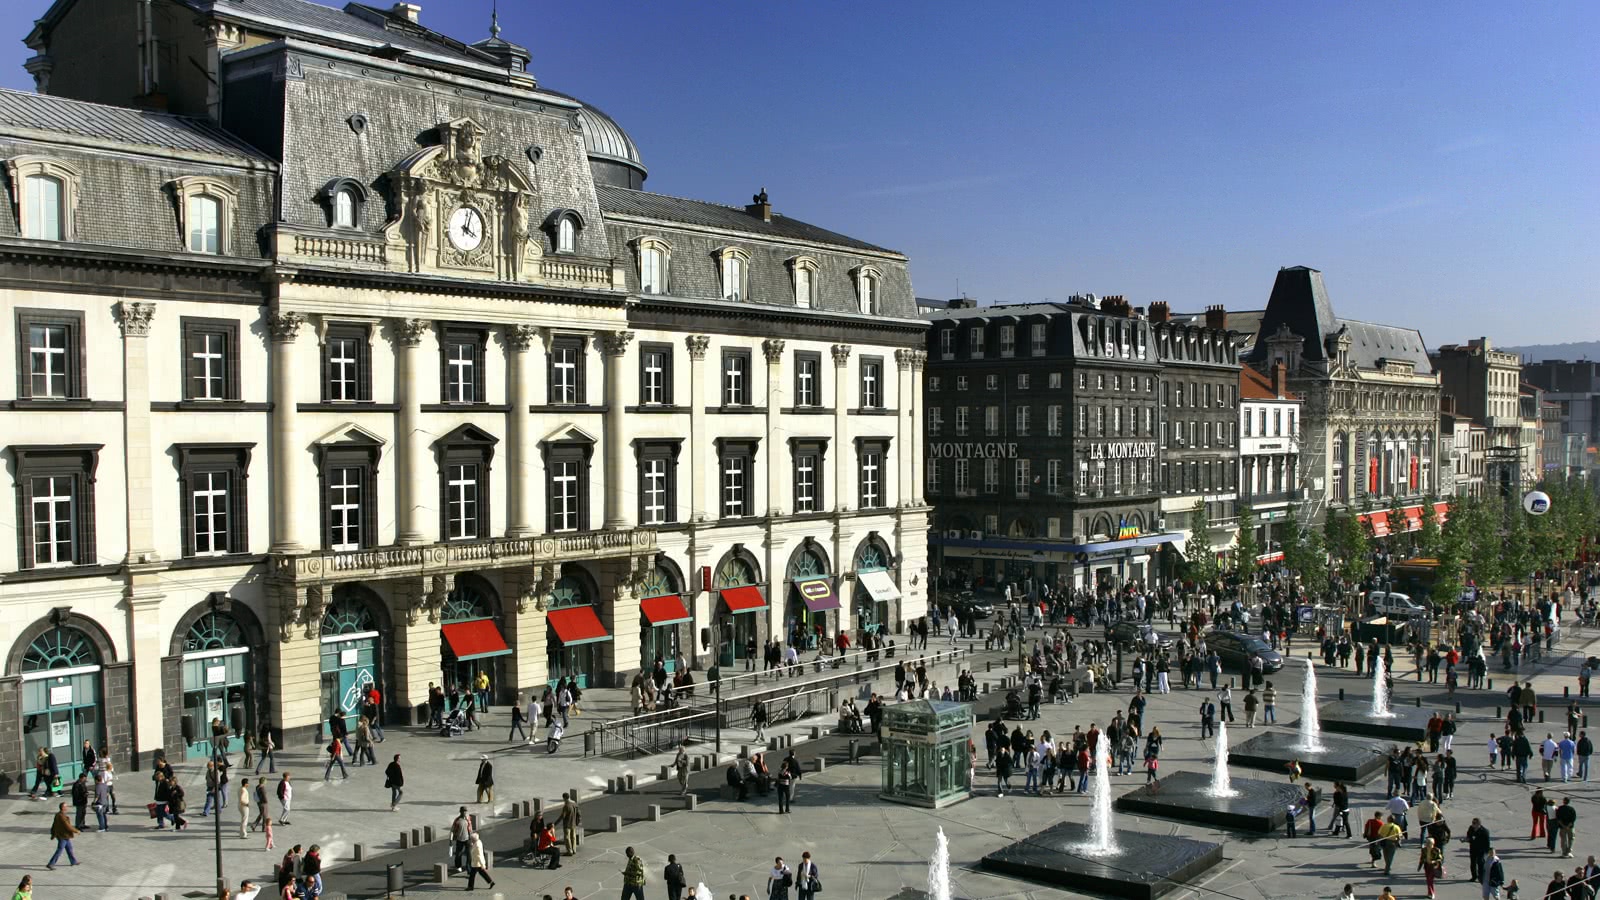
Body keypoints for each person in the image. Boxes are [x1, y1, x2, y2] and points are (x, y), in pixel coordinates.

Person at [47, 801, 78, 869]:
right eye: (66, 806)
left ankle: (73, 861)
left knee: (69, 848)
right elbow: (68, 826)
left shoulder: (58, 814)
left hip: (64, 835)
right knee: (60, 850)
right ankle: (51, 864)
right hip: (63, 836)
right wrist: (76, 831)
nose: (67, 807)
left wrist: (53, 833)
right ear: (63, 808)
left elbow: (54, 824)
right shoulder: (61, 816)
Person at [451, 807, 474, 872]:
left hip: (467, 839)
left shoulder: (468, 819)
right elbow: (452, 830)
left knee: (469, 854)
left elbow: (470, 829)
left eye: (465, 811)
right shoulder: (457, 820)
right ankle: (458, 866)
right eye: (463, 811)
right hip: (459, 840)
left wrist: (471, 839)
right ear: (460, 812)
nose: (465, 813)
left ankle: (468, 868)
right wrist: (450, 840)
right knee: (458, 854)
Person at [560, 791, 582, 856]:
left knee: (567, 838)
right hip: (574, 823)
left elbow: (562, 816)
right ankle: (574, 849)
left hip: (567, 824)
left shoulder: (566, 806)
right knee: (573, 837)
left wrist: (555, 823)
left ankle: (569, 851)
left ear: (564, 798)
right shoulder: (574, 803)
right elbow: (579, 813)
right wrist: (579, 821)